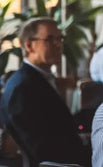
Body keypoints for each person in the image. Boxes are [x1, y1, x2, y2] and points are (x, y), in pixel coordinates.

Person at [0, 18, 91, 166]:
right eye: (49, 39)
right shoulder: (22, 87)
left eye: (59, 38)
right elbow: (40, 148)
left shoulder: (40, 79)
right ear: (29, 45)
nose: (58, 44)